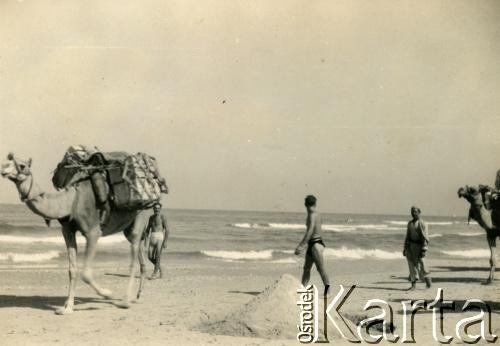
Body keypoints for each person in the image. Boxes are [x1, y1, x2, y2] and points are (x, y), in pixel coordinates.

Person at [295, 195, 330, 295]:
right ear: (315, 203)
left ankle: (328, 292)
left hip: (316, 244)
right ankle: (302, 290)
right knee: (306, 269)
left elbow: (310, 231)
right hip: (314, 243)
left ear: (305, 204)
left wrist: (301, 245)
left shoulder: (311, 215)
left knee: (321, 269)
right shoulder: (317, 214)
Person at [403, 206, 431, 290]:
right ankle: (413, 285)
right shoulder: (410, 223)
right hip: (411, 246)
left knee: (422, 265)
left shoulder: (422, 223)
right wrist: (405, 248)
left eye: (415, 212)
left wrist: (424, 248)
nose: (413, 213)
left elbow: (425, 237)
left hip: (420, 246)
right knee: (411, 265)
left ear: (419, 212)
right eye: (412, 212)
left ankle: (428, 282)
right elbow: (407, 236)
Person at [144, 202, 169, 279]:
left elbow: (167, 230)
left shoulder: (162, 217)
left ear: (160, 209)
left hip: (160, 237)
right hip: (152, 236)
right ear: (153, 209)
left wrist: (165, 241)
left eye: (158, 208)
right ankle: (160, 268)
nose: (156, 210)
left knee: (158, 256)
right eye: (155, 208)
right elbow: (148, 229)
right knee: (150, 256)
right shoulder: (151, 218)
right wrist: (145, 239)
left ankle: (154, 274)